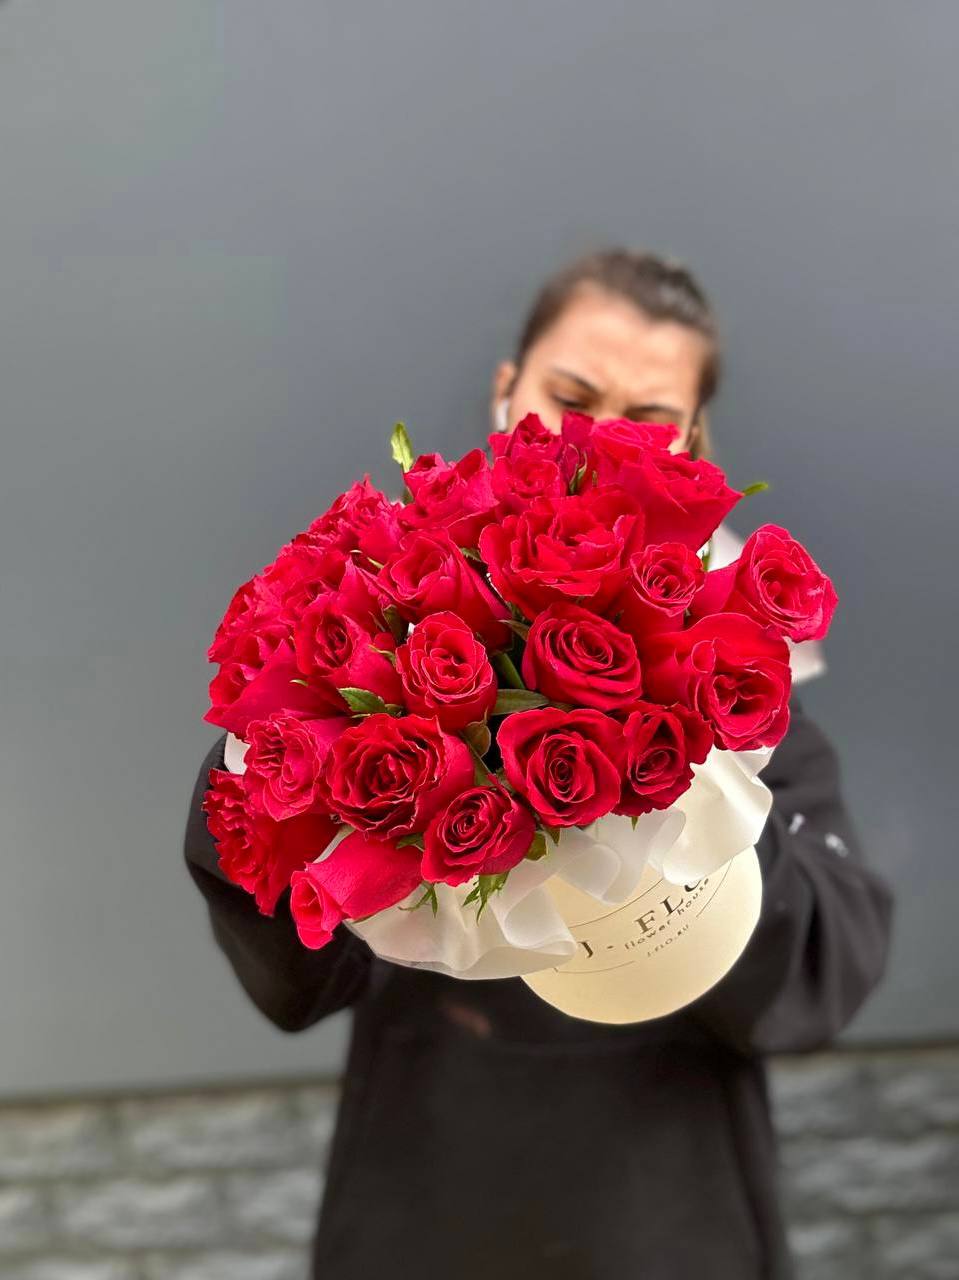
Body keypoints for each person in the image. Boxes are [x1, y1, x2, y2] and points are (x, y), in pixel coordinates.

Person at [184, 248, 893, 1279]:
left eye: (648, 416)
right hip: (422, 1205)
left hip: (665, 1221)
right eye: (570, 395)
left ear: (693, 440)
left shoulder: (753, 702)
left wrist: (692, 769)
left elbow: (826, 975)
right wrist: (283, 750)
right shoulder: (400, 620)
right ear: (505, 390)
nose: (598, 435)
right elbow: (304, 975)